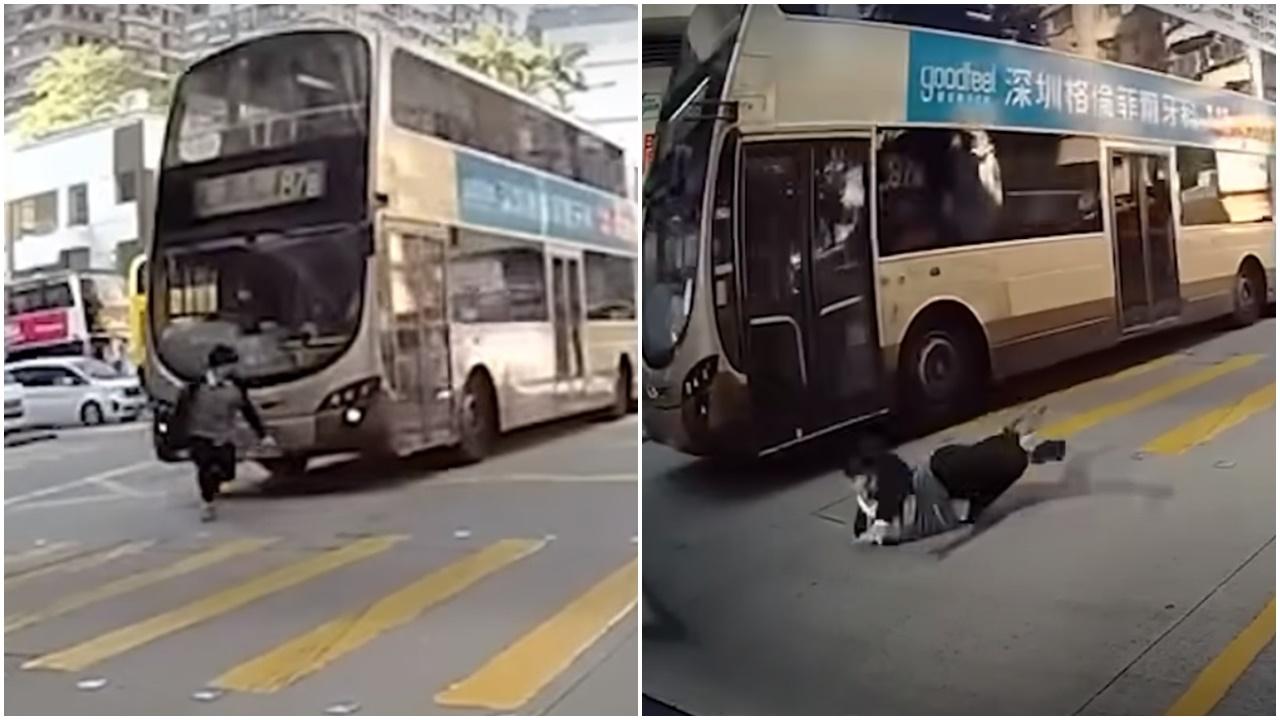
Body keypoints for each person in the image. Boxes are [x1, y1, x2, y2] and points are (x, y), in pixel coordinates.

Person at [846, 405, 1066, 546]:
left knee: (1003, 459)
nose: (865, 491)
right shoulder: (866, 515)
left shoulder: (889, 477)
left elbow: (895, 478)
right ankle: (1030, 447)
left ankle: (1017, 438)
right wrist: (873, 529)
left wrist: (882, 521)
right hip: (959, 502)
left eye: (867, 482)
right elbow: (865, 529)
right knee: (1003, 470)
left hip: (940, 474)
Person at [173, 344, 272, 521]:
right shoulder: (195, 387)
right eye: (230, 365)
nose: (233, 369)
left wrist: (262, 435)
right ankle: (207, 502)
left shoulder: (235, 386)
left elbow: (248, 411)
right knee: (205, 467)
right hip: (200, 434)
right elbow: (180, 414)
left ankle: (214, 483)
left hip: (225, 435)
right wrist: (179, 442)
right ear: (220, 366)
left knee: (228, 472)